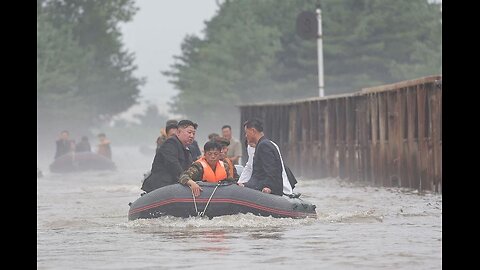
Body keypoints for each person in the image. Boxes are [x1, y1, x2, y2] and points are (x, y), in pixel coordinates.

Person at [239, 118, 294, 196]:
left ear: (253, 131)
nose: (246, 135)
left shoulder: (264, 146)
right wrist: (244, 183)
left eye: (246, 132)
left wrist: (269, 187)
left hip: (270, 190)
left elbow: (272, 170)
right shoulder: (261, 145)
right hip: (258, 185)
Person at [141, 120, 198, 193]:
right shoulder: (170, 144)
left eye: (194, 133)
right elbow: (173, 165)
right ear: (178, 132)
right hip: (160, 187)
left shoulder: (187, 149)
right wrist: (188, 180)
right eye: (189, 132)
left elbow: (190, 168)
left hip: (175, 186)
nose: (192, 136)